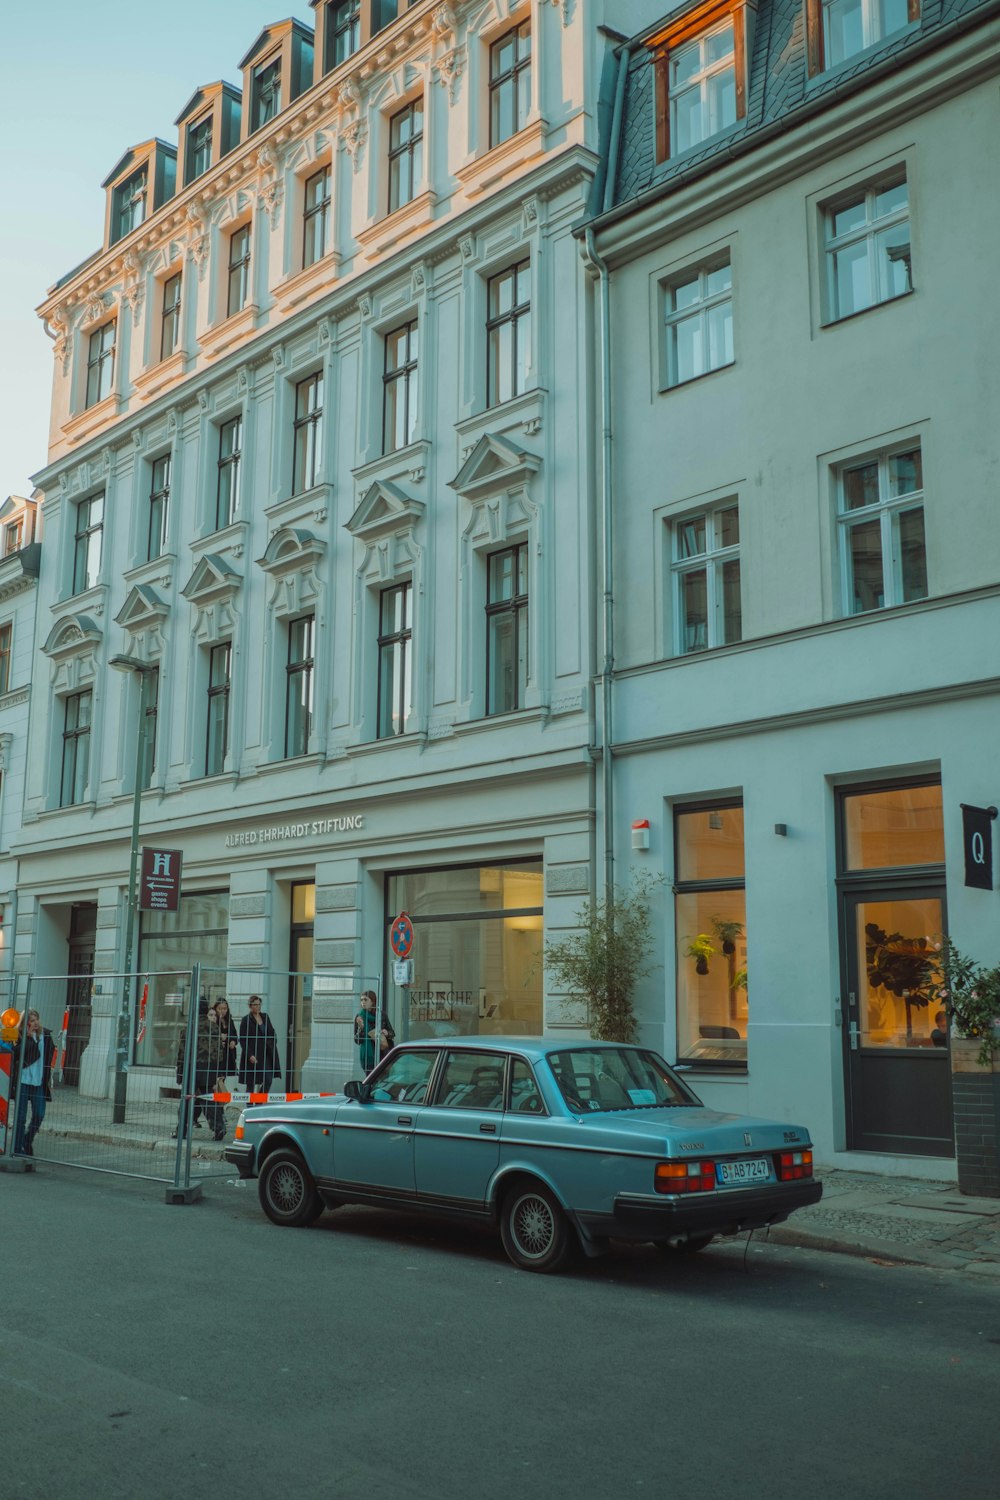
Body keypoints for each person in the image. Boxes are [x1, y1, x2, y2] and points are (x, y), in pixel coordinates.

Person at [2, 1010, 55, 1157]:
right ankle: (18, 1148)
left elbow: (47, 1057)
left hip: (38, 1081)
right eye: (31, 1020)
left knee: (39, 1113)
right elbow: (16, 1055)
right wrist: (28, 1039)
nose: (35, 1022)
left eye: (36, 1018)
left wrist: (48, 1078)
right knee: (21, 1116)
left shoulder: (45, 1036)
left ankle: (27, 1140)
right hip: (23, 1080)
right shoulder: (19, 1037)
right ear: (25, 1023)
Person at [238, 995, 281, 1097]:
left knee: (268, 1080)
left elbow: (271, 1031)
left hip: (267, 1053)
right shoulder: (246, 1020)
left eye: (259, 1004)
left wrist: (272, 1042)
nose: (257, 1007)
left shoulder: (265, 1017)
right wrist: (250, 1055)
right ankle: (249, 1107)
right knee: (251, 1083)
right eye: (255, 1005)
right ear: (250, 1006)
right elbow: (243, 1040)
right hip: (253, 1054)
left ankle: (258, 1102)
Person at [353, 990, 394, 1075]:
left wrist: (387, 1033)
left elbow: (392, 1033)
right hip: (368, 1057)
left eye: (365, 1000)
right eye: (361, 1000)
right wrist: (361, 1028)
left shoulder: (381, 1015)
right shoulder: (359, 1016)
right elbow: (357, 1040)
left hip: (382, 1055)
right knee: (371, 1081)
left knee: (383, 1079)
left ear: (372, 1001)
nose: (363, 1002)